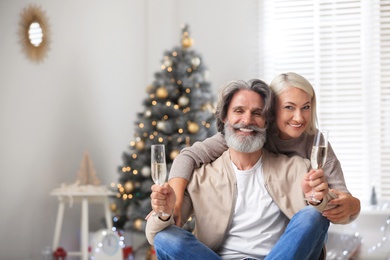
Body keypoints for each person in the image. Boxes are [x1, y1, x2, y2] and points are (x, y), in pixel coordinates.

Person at [146, 79, 336, 259]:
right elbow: (154, 234)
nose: (247, 120)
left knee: (313, 216)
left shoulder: (296, 168)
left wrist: (318, 200)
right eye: (239, 110)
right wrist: (164, 212)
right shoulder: (200, 176)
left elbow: (320, 217)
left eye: (257, 113)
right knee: (164, 238)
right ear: (224, 117)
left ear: (267, 122)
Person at [169, 72, 360, 226]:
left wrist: (353, 206)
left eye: (306, 107)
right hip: (263, 227)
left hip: (297, 229)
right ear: (271, 109)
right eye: (289, 107)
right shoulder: (252, 133)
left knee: (311, 217)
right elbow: (188, 157)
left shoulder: (315, 142)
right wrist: (175, 203)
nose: (299, 118)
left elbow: (340, 200)